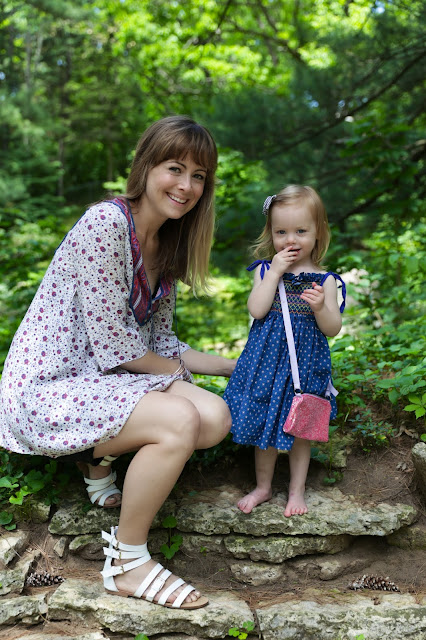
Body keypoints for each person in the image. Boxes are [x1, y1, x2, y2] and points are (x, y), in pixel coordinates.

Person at [0, 115, 236, 609]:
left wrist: (237, 365)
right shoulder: (106, 224)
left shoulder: (168, 245)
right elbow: (118, 348)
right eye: (175, 168)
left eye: (199, 176)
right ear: (146, 165)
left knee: (215, 418)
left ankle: (97, 457)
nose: (187, 186)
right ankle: (128, 561)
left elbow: (161, 342)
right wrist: (180, 379)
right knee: (180, 419)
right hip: (50, 388)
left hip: (107, 382)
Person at [223, 185, 345, 517]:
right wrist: (275, 272)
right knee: (264, 422)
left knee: (301, 430)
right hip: (266, 363)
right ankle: (263, 487)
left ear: (318, 233)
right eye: (281, 232)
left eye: (300, 231)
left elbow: (332, 328)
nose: (290, 239)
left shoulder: (325, 280)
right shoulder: (266, 271)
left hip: (305, 366)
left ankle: (296, 491)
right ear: (271, 233)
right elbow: (256, 310)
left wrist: (320, 308)